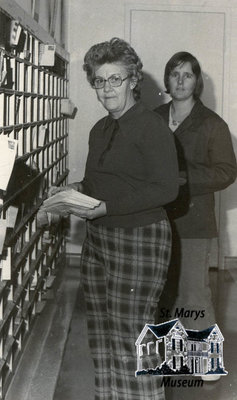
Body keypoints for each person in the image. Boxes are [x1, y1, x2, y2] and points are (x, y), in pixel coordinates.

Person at [49, 38, 179, 399]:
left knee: (132, 338)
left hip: (140, 238)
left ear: (133, 80)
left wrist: (107, 206)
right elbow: (98, 183)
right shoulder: (100, 129)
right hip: (99, 240)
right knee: (103, 336)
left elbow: (166, 188)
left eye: (115, 79)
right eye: (100, 80)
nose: (107, 88)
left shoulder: (151, 127)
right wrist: (69, 192)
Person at [155, 52, 236, 336]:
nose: (180, 81)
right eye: (174, 74)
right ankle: (162, 354)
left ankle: (204, 359)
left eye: (187, 75)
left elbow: (227, 172)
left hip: (193, 221)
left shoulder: (212, 124)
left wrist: (184, 179)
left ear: (196, 81)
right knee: (158, 292)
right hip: (153, 220)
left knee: (193, 292)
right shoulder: (152, 119)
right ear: (166, 79)